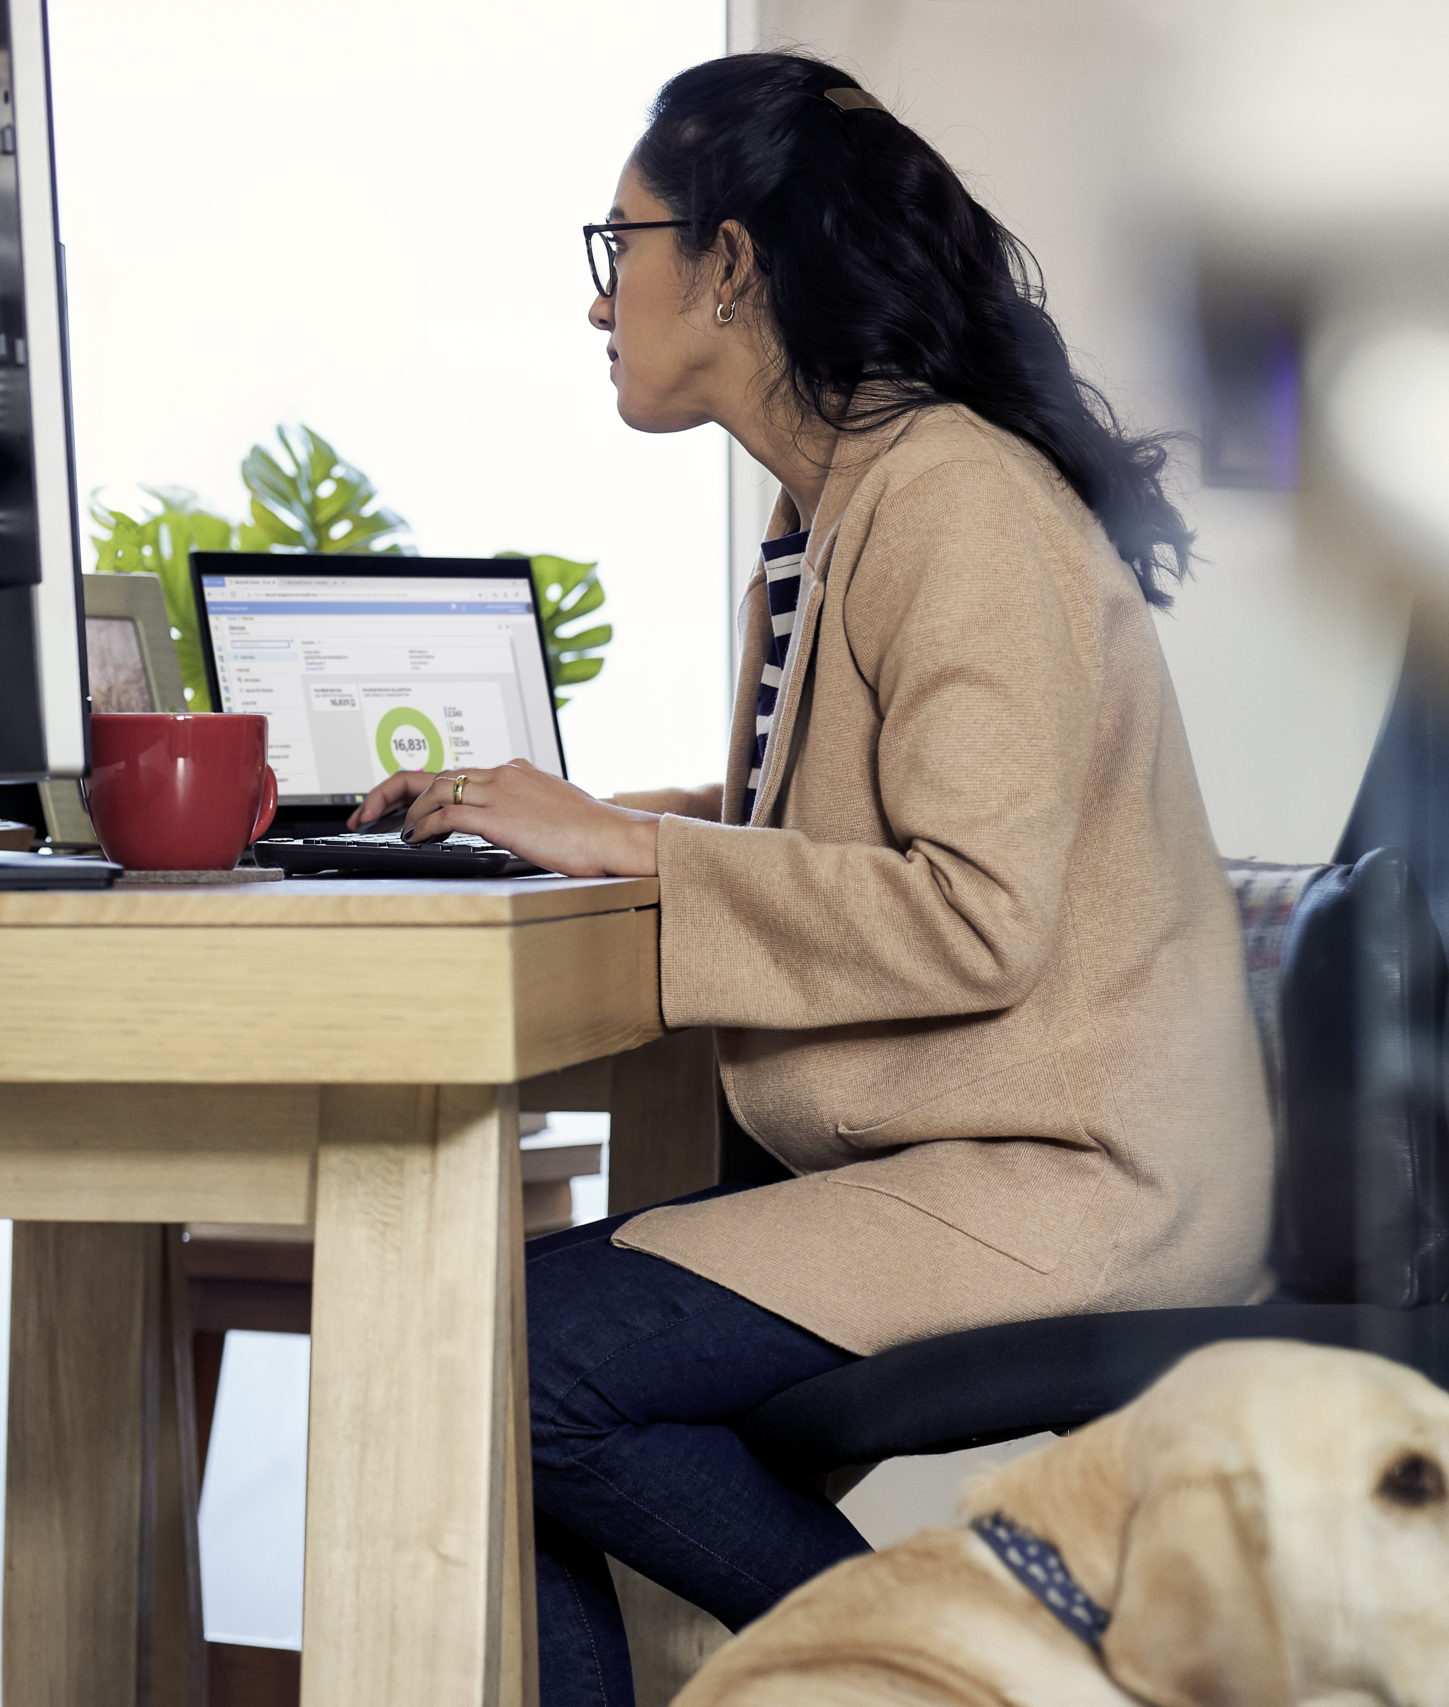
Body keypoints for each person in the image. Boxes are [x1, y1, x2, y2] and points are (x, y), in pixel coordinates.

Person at [344, 49, 1275, 1707]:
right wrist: (567, 809)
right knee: (485, 1340)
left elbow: (975, 906)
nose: (597, 301)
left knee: (507, 1366)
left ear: (731, 261)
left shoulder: (953, 506)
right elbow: (846, 805)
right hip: (991, 1161)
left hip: (1075, 1188)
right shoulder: (850, 504)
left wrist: (632, 846)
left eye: (614, 245)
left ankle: (1003, 1682)